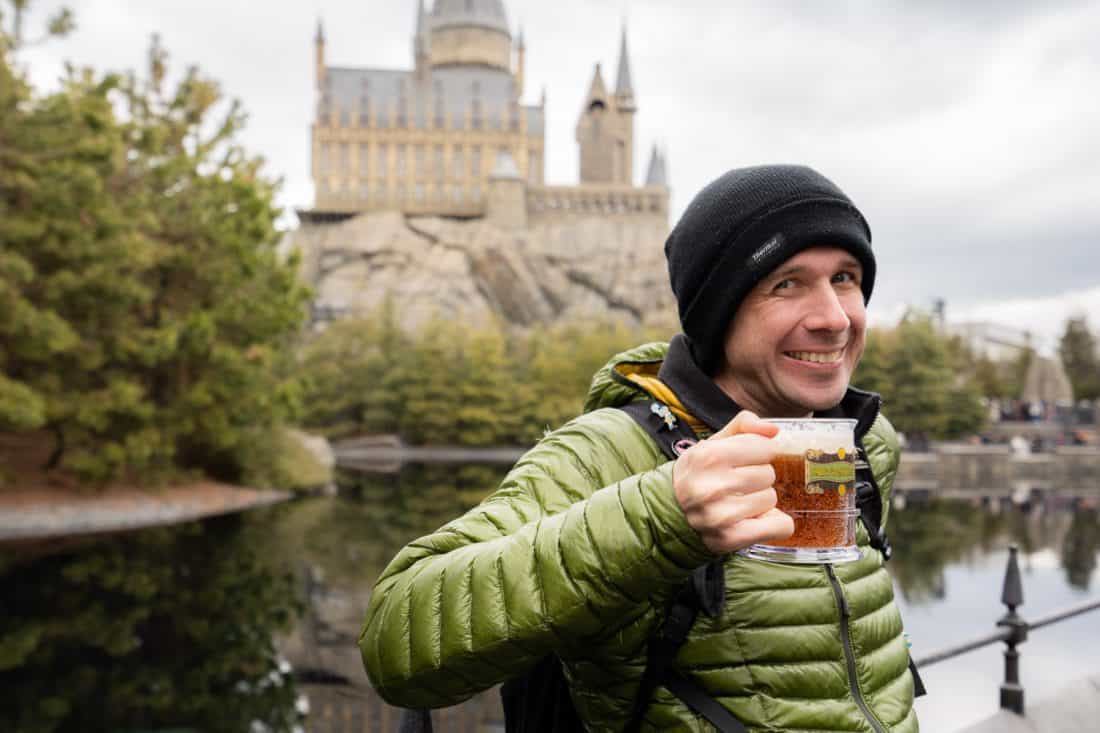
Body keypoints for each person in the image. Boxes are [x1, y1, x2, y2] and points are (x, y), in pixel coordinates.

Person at [359, 165, 919, 731]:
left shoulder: (868, 441)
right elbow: (395, 640)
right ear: (719, 311)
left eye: (845, 278)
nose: (832, 318)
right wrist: (663, 516)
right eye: (786, 284)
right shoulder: (614, 448)